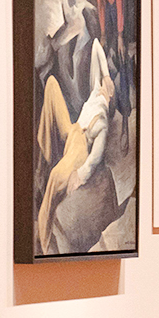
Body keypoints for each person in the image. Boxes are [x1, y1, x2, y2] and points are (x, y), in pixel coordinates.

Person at [35, 68, 115, 255]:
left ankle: (44, 243)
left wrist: (80, 175)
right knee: (52, 83)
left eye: (108, 89)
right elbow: (96, 49)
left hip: (79, 151)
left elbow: (95, 158)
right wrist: (105, 75)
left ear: (110, 97)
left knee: (55, 177)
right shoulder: (96, 91)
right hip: (72, 131)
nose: (106, 88)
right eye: (106, 85)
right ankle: (44, 158)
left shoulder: (102, 120)